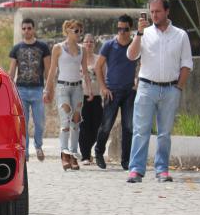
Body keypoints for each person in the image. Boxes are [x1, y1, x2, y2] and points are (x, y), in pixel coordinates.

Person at [126, 0, 193, 183]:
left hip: (170, 88)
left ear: (167, 11)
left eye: (158, 11)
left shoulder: (180, 35)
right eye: (151, 12)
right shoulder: (144, 33)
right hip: (147, 87)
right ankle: (136, 170)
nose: (154, 15)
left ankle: (162, 169)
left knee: (164, 133)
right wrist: (138, 34)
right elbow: (131, 56)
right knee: (141, 130)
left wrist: (178, 87)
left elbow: (186, 64)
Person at [43, 20, 93, 171]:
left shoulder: (82, 50)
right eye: (75, 31)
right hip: (63, 87)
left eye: (80, 31)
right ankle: (64, 154)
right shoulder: (58, 48)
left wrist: (89, 89)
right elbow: (52, 71)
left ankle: (73, 155)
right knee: (65, 122)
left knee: (76, 123)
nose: (78, 33)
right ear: (67, 31)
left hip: (77, 88)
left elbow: (84, 71)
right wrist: (47, 90)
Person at [93, 15, 138, 170]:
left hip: (130, 92)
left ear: (130, 29)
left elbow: (144, 61)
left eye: (125, 29)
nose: (122, 32)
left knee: (129, 127)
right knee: (106, 125)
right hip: (112, 92)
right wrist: (104, 88)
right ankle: (98, 152)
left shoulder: (135, 46)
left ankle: (126, 160)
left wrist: (138, 79)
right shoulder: (109, 45)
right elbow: (97, 67)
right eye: (119, 28)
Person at [8, 17, 51, 161]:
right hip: (21, 90)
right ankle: (25, 151)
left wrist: (49, 89)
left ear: (34, 29)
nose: (27, 31)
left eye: (29, 28)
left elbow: (48, 70)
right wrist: (9, 89)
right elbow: (12, 71)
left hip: (38, 89)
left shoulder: (43, 47)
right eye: (24, 28)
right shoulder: (16, 48)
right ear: (22, 30)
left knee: (39, 121)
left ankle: (38, 147)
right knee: (23, 123)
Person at [78, 33, 102, 165]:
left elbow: (105, 76)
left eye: (91, 42)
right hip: (81, 96)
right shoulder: (78, 59)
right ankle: (85, 155)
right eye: (86, 42)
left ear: (94, 44)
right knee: (84, 126)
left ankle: (89, 149)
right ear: (82, 43)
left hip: (97, 96)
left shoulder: (99, 59)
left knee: (97, 126)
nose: (88, 44)